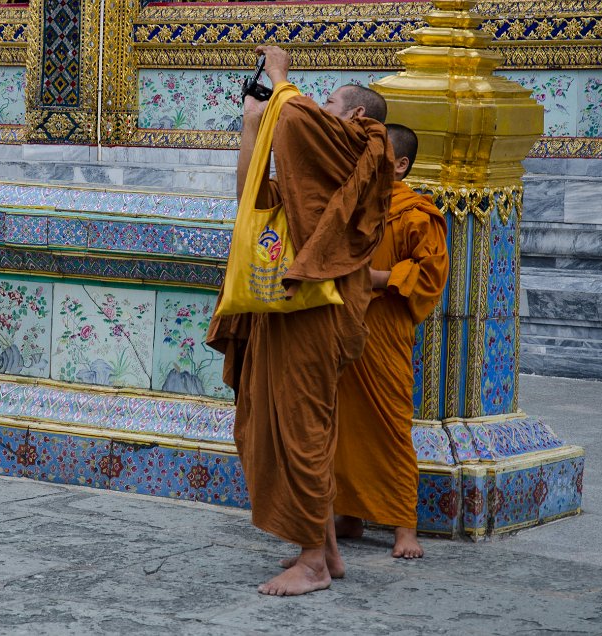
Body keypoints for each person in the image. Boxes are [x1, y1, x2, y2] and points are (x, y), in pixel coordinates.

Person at [206, 45, 395, 596]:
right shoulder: (314, 174)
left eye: (329, 101)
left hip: (318, 312)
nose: (318, 107)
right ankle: (327, 548)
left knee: (303, 428)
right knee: (298, 424)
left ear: (354, 115)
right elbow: (249, 195)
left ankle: (312, 563)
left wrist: (280, 75)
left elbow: (293, 117)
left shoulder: (362, 145)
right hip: (288, 308)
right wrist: (250, 124)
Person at [330, 123, 450, 559]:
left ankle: (404, 527)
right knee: (341, 426)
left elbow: (432, 274)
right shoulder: (353, 203)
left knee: (391, 427)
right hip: (343, 327)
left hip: (384, 332)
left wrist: (377, 278)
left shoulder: (416, 214)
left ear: (400, 165)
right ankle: (349, 514)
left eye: (375, 156)